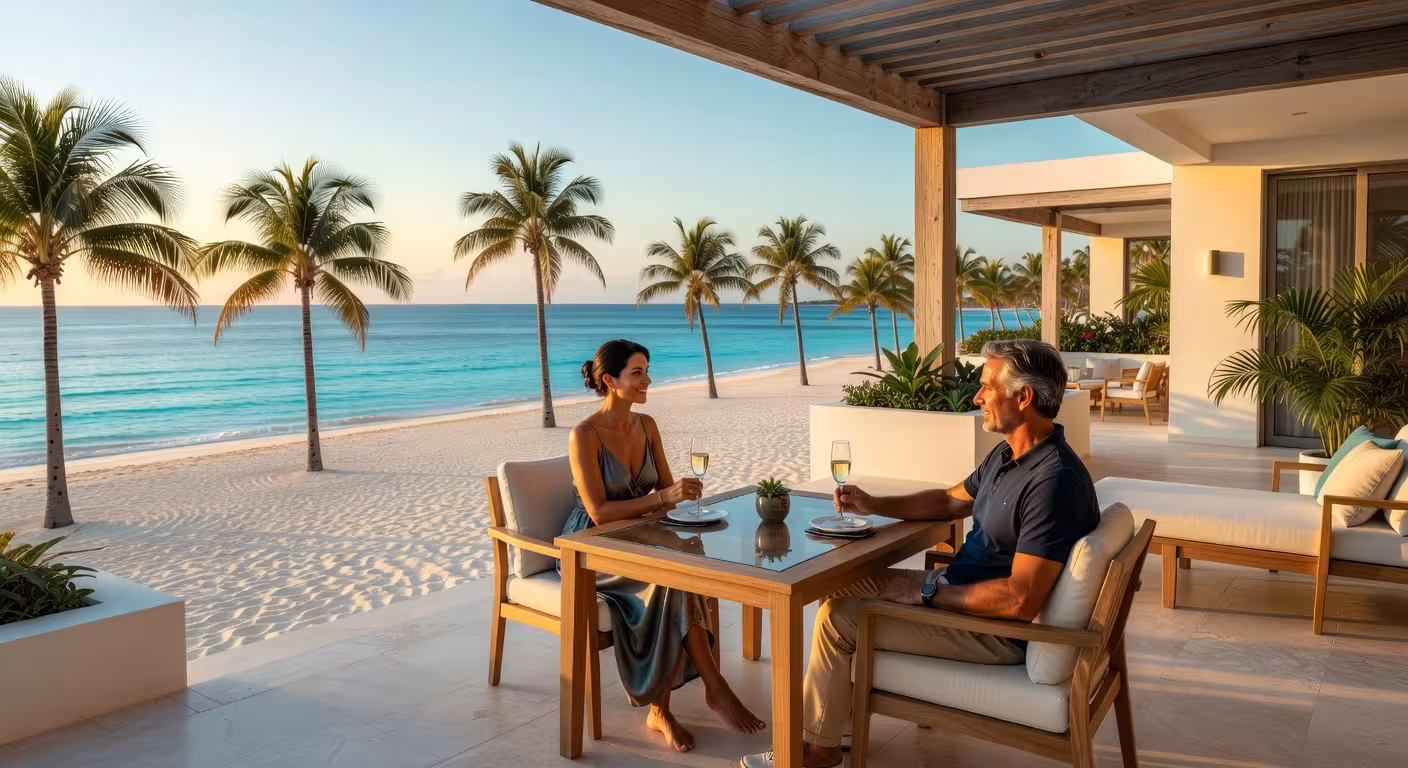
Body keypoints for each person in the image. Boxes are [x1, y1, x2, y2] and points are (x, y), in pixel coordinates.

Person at [742, 338, 1100, 768]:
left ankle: (816, 752)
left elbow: (1020, 600)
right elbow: (951, 501)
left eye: (988, 387)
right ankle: (838, 725)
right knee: (839, 581)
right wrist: (874, 504)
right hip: (961, 595)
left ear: (1023, 397)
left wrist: (925, 594)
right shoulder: (1011, 454)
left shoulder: (1052, 482)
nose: (977, 396)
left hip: (994, 629)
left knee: (837, 619)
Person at [566, 339, 766, 753]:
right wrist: (664, 499)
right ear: (610, 380)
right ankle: (713, 688)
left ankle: (664, 709)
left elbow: (665, 489)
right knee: (670, 578)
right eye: (637, 373)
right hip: (594, 547)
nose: (648, 380)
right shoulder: (583, 435)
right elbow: (600, 513)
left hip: (642, 535)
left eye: (646, 370)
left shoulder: (647, 425)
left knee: (684, 566)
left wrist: (681, 494)